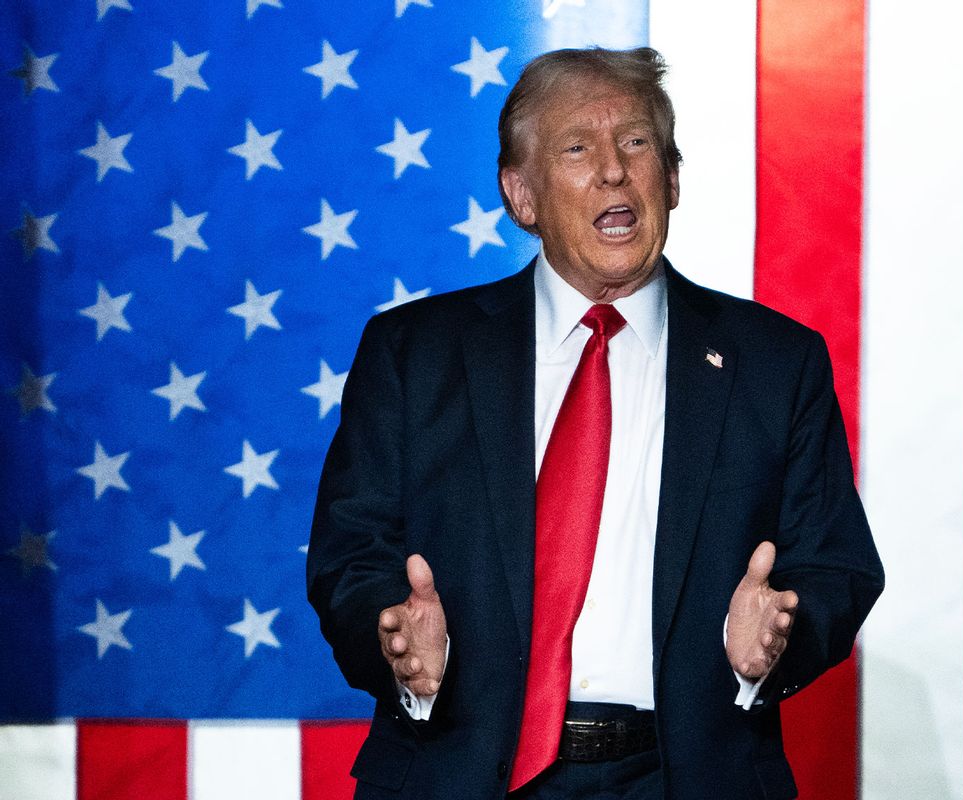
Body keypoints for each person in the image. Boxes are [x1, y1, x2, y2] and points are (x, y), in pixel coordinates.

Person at [307, 46, 883, 800]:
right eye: (578, 148)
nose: (614, 170)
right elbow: (350, 555)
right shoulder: (414, 354)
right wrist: (396, 646)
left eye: (636, 143)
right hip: (463, 769)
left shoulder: (776, 364)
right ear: (522, 196)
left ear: (671, 179)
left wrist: (779, 639)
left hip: (687, 777)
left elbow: (836, 566)